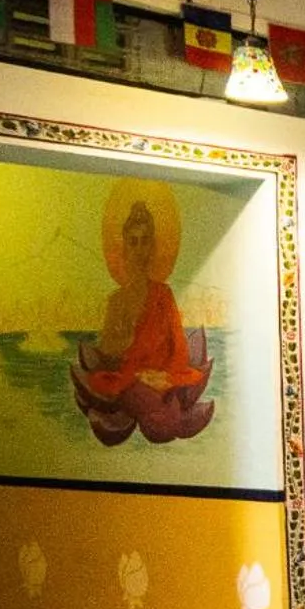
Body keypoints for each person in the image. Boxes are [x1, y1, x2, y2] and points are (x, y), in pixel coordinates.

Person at [70, 185, 214, 445]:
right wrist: (123, 344)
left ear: (153, 246)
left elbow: (179, 352)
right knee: (100, 381)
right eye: (132, 241)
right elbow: (108, 350)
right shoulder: (116, 301)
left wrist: (164, 376)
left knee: (189, 376)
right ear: (124, 246)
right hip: (129, 381)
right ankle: (157, 410)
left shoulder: (163, 294)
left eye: (144, 240)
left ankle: (159, 408)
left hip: (161, 381)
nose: (138, 248)